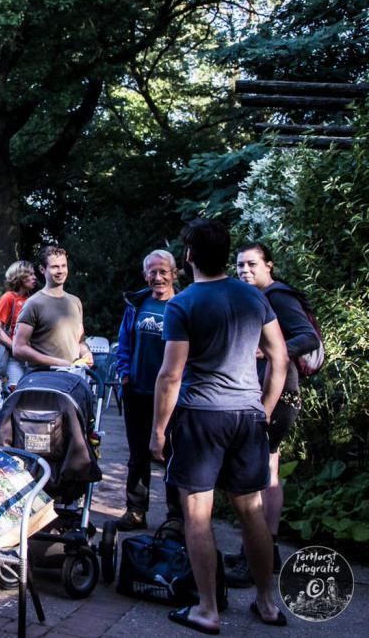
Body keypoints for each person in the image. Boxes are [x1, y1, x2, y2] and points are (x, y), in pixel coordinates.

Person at [151, 219, 289, 633]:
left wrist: (158, 430)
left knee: (197, 513)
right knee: (252, 511)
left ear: (189, 256)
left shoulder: (183, 304)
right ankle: (267, 603)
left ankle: (207, 610)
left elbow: (170, 375)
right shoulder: (254, 297)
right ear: (226, 254)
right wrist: (264, 409)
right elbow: (279, 357)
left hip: (201, 417)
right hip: (247, 416)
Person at [224, 242, 321, 586]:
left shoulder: (277, 296)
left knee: (256, 473)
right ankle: (267, 550)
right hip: (276, 392)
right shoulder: (261, 297)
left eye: (252, 264)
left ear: (269, 266)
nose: (244, 271)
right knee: (269, 470)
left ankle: (254, 558)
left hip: (277, 396)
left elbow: (307, 337)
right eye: (240, 265)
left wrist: (269, 351)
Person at [113, 249, 183, 531]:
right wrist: (125, 375)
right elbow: (123, 342)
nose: (158, 277)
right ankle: (135, 511)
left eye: (163, 271)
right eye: (152, 272)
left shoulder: (183, 305)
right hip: (138, 391)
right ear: (145, 275)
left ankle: (176, 516)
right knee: (138, 454)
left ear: (174, 274)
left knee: (173, 454)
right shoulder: (137, 304)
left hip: (173, 395)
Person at [12, 244, 93, 376]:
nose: (60, 271)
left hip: (73, 377)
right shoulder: (33, 303)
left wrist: (86, 353)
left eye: (63, 266)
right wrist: (57, 363)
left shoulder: (75, 302)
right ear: (42, 269)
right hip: (43, 378)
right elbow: (18, 348)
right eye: (55, 267)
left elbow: (80, 341)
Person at [0, 260, 39, 389]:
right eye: (30, 274)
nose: (35, 277)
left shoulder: (30, 300)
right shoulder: (9, 298)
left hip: (28, 359)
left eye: (34, 274)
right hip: (12, 358)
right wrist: (15, 347)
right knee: (16, 393)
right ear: (19, 277)